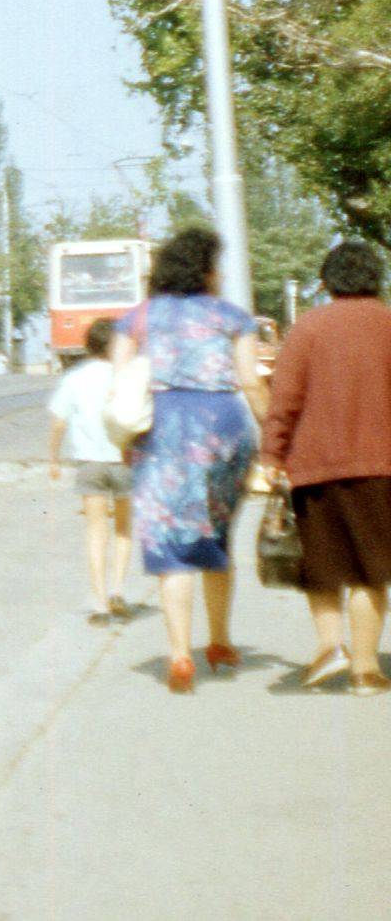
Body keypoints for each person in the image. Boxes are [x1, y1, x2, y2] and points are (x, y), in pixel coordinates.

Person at [112, 227, 267, 693]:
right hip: (223, 428)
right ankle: (220, 642)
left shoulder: (135, 319)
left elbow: (120, 387)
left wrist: (125, 440)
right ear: (205, 270)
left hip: (161, 430)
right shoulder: (232, 317)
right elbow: (252, 383)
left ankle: (180, 655)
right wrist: (279, 434)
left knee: (170, 542)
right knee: (215, 536)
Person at [260, 241, 391, 695]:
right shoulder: (388, 323)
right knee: (370, 570)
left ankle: (331, 647)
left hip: (314, 468)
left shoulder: (308, 327)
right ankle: (366, 671)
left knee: (325, 565)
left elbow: (285, 399)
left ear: (326, 282)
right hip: (380, 468)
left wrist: (272, 456)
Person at [47, 319, 133, 625]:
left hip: (89, 463)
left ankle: (99, 603)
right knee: (123, 529)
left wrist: (54, 459)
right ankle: (118, 590)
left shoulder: (75, 378)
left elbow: (59, 422)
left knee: (96, 531)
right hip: (125, 460)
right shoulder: (128, 376)